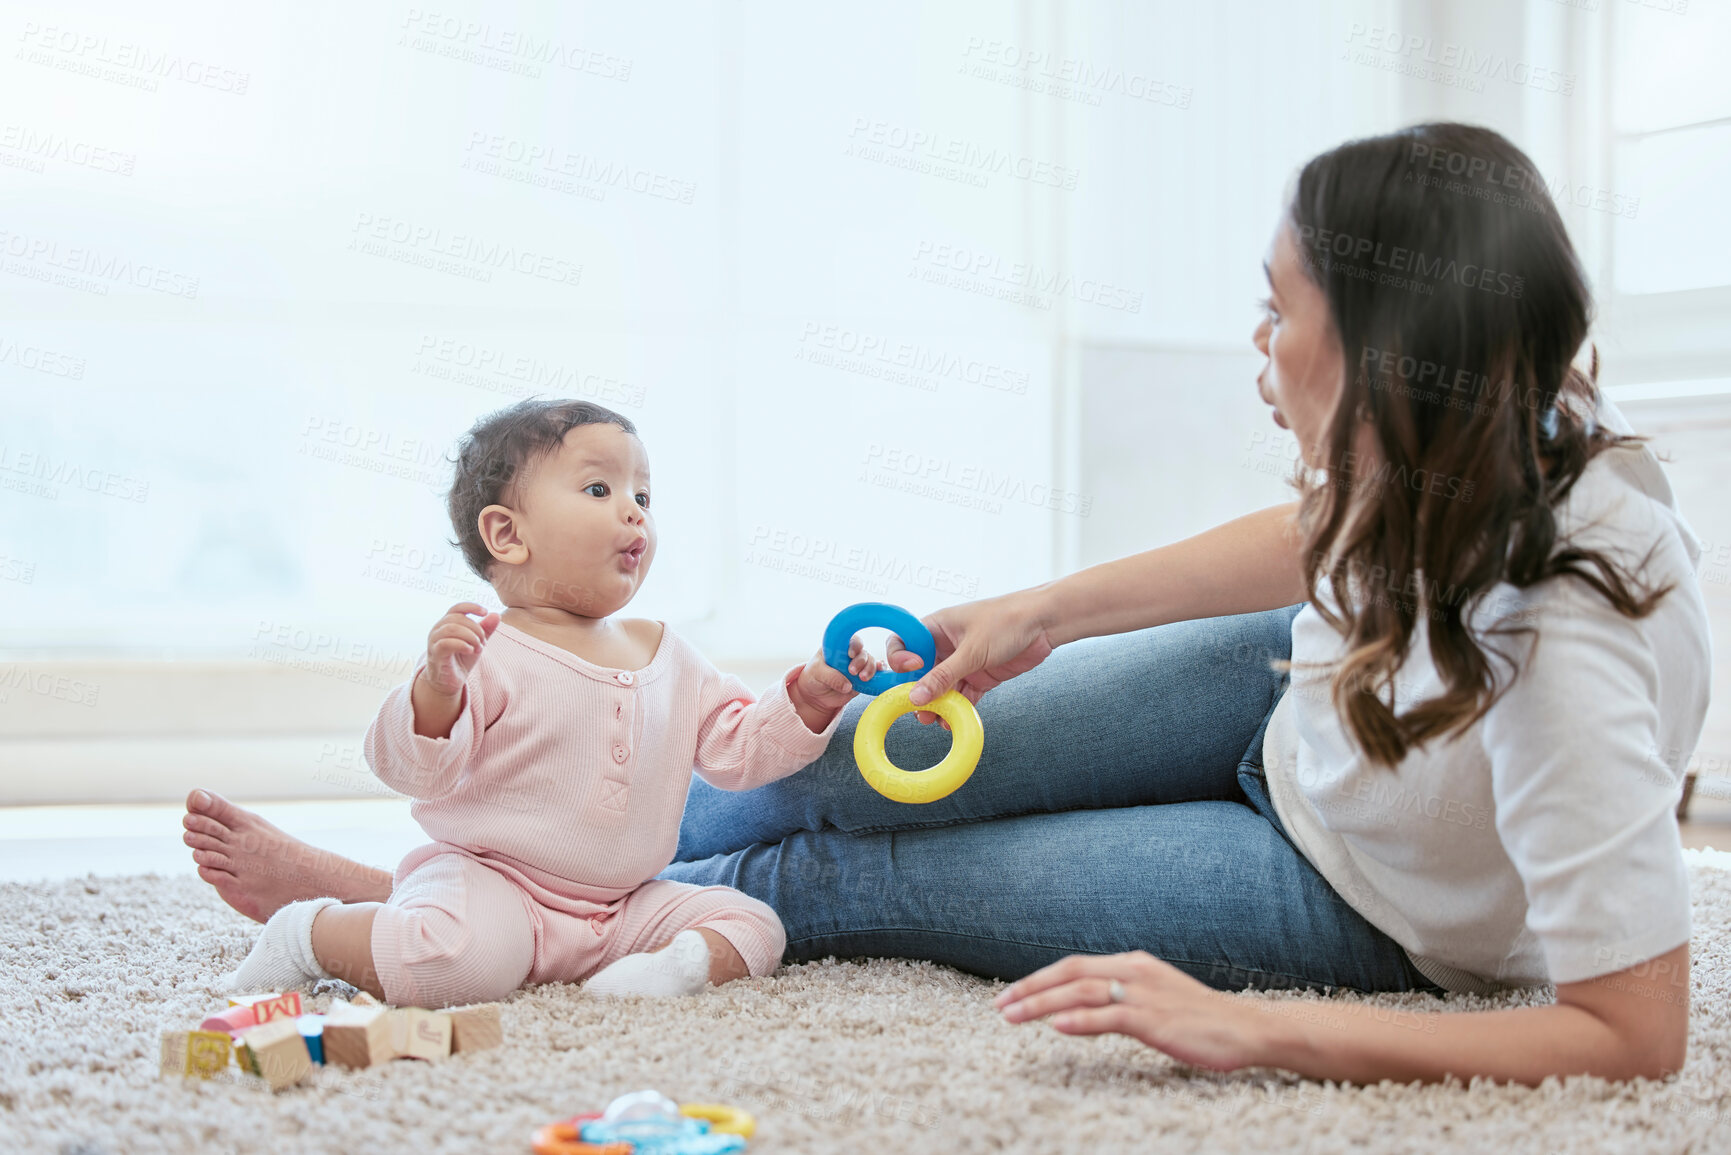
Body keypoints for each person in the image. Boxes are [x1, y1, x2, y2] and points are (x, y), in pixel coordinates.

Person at [187, 122, 1707, 1084]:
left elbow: (1628, 1033)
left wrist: (1263, 1026)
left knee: (841, 888)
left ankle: (455, 920)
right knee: (848, 754)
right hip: (1288, 696)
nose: (1253, 343)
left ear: (1378, 354)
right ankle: (462, 876)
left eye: (1275, 312)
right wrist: (1044, 610)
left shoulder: (1569, 642)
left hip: (1366, 895)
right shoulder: (1488, 418)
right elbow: (1325, 536)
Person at [218, 400, 891, 1007]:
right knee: (452, 964)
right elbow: (411, 770)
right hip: (493, 887)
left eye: (643, 494)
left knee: (753, 925)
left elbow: (737, 748)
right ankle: (308, 930)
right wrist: (436, 691)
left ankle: (668, 972)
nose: (634, 511)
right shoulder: (488, 651)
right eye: (600, 488)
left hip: (619, 906)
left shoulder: (668, 654)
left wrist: (807, 696)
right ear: (508, 535)